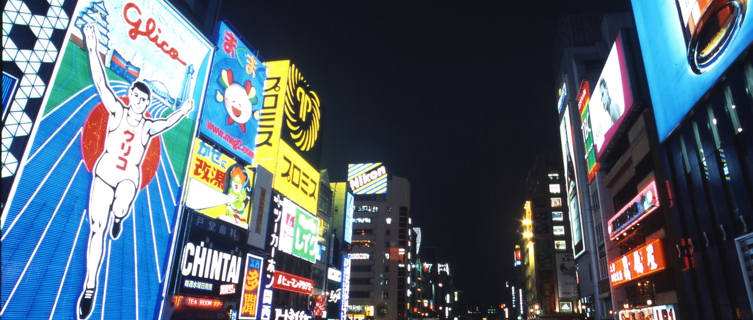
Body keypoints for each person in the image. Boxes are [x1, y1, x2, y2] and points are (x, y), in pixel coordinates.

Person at [77, 23, 194, 320]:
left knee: (125, 197)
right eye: (137, 97)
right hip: (104, 175)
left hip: (128, 176)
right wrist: (92, 46)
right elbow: (102, 83)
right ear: (131, 95)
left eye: (145, 100)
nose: (140, 103)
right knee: (96, 229)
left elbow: (166, 123)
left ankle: (120, 214)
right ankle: (90, 287)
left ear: (147, 104)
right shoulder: (117, 111)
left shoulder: (146, 126)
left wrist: (182, 111)